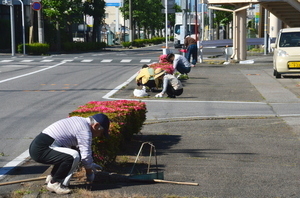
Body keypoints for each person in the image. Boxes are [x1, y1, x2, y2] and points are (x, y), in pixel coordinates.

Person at [29, 113, 110, 194]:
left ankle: (52, 177)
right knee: (73, 156)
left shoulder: (80, 121)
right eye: (101, 133)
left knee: (72, 152)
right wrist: (90, 175)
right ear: (96, 126)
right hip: (41, 149)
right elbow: (85, 156)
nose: (99, 136)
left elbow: (82, 150)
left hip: (39, 146)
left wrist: (90, 164)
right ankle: (55, 183)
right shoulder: (85, 130)